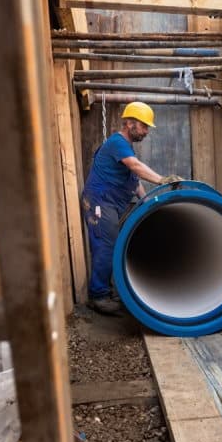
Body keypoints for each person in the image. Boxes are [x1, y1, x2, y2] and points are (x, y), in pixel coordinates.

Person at [82, 101, 183, 315]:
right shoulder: (118, 143)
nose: (146, 131)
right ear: (129, 123)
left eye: (147, 127)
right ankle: (98, 297)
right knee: (105, 245)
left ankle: (106, 292)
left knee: (111, 243)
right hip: (100, 202)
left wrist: (149, 203)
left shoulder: (126, 148)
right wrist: (162, 180)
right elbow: (135, 167)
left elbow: (134, 180)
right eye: (144, 126)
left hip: (110, 203)